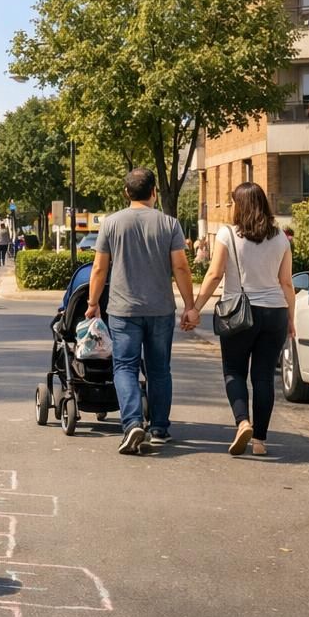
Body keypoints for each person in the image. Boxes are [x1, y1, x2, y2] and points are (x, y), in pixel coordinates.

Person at [85, 168, 196, 456]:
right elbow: (181, 267)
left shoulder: (111, 223)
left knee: (125, 367)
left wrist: (92, 303)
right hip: (160, 309)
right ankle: (159, 427)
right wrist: (190, 305)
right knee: (160, 369)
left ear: (126, 193)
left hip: (123, 310)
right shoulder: (169, 224)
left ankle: (133, 421)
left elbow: (99, 268)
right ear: (154, 192)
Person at [185, 183, 297, 457]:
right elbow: (287, 283)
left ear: (240, 205)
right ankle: (259, 441)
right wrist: (291, 319)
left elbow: (214, 275)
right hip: (275, 314)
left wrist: (195, 307)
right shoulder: (281, 238)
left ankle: (242, 422)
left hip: (240, 313)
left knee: (234, 371)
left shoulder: (227, 235)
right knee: (264, 377)